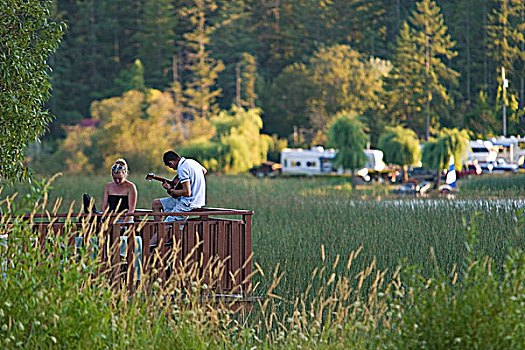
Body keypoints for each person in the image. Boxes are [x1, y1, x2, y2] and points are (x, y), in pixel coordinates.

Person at [152, 151, 207, 223]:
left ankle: (161, 231)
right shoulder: (191, 161)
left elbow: (187, 192)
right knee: (156, 203)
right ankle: (158, 228)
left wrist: (170, 189)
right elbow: (204, 171)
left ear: (171, 162)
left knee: (166, 226)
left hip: (188, 203)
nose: (173, 169)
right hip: (197, 200)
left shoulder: (182, 169)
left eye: (170, 166)